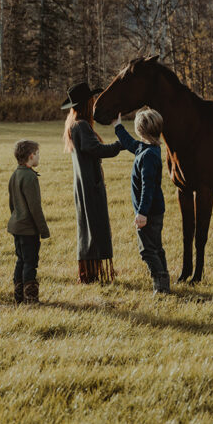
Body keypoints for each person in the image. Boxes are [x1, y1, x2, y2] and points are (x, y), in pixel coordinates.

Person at [62, 81, 122, 284]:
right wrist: (121, 144)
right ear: (87, 103)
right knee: (94, 227)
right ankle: (89, 274)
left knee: (88, 226)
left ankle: (90, 272)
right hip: (90, 186)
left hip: (84, 184)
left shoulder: (74, 125)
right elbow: (97, 150)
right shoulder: (82, 126)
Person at [113, 108, 169, 295]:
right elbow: (130, 144)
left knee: (147, 251)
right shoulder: (147, 148)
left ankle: (160, 287)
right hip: (154, 210)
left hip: (149, 212)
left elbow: (148, 187)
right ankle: (164, 283)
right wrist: (118, 126)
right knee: (156, 248)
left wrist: (142, 213)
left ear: (140, 130)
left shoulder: (148, 156)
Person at [7, 139, 50, 304]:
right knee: (30, 262)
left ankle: (18, 296)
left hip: (16, 226)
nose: (39, 157)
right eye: (38, 154)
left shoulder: (15, 174)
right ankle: (30, 298)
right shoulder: (30, 177)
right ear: (31, 156)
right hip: (28, 229)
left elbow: (12, 204)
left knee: (21, 259)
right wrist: (43, 230)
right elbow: (35, 208)